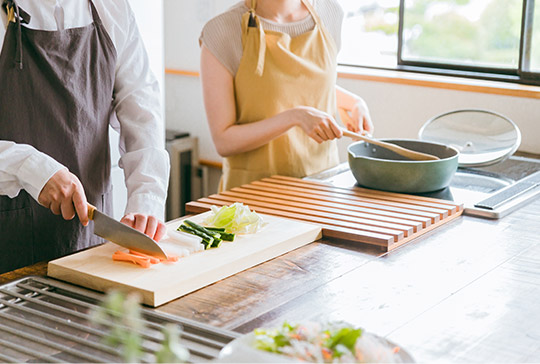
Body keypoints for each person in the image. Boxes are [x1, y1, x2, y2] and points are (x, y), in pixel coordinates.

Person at [0, 0, 170, 274]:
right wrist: (30, 167)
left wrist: (146, 197)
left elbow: (142, 108)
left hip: (91, 243)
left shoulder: (112, 8)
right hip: (9, 251)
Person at [200, 0, 374, 192]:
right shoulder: (221, 32)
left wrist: (353, 102)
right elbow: (224, 141)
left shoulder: (330, 12)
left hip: (322, 190)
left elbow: (294, 87)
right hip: (252, 201)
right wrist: (295, 117)